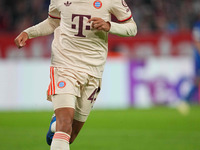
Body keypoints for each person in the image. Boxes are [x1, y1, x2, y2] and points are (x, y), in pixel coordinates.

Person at [14, 0, 137, 149]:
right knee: (65, 125)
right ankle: (59, 122)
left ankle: (56, 124)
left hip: (93, 70)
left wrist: (109, 26)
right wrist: (29, 32)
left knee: (70, 135)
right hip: (65, 65)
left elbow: (132, 28)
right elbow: (53, 22)